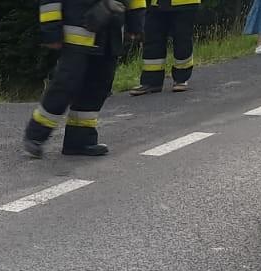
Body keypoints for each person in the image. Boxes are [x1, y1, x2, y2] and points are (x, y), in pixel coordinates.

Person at [23, 0, 147, 158]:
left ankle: (80, 140)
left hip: (110, 33)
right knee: (65, 86)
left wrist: (135, 23)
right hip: (77, 33)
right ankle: (35, 135)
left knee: (97, 88)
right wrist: (51, 31)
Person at [128, 0, 199, 95]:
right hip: (157, 4)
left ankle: (181, 79)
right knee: (152, 38)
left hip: (185, 3)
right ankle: (151, 82)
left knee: (182, 39)